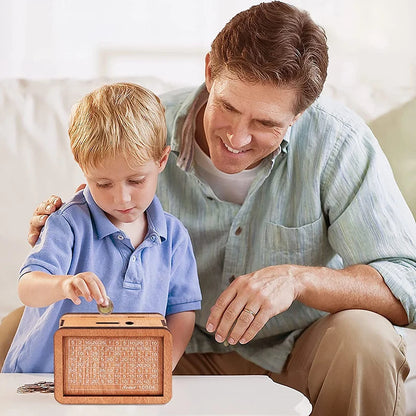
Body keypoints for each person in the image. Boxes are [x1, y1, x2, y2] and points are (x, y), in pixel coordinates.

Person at [25, 2, 416, 415]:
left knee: (365, 337)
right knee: (22, 329)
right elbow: (96, 214)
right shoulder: (145, 132)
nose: (237, 137)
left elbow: (407, 281)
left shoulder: (338, 145)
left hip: (293, 354)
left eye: (265, 123)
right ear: (210, 71)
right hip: (166, 350)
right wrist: (64, 226)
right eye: (228, 106)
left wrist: (298, 280)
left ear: (300, 113)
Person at [2, 82, 202, 373]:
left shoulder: (174, 238)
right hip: (44, 379)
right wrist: (63, 285)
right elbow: (28, 286)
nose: (121, 198)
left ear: (161, 160)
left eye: (136, 181)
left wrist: (160, 369)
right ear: (83, 168)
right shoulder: (68, 222)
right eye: (103, 183)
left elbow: (181, 312)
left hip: (120, 381)